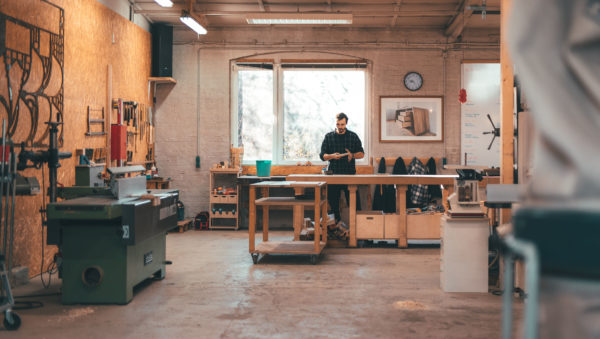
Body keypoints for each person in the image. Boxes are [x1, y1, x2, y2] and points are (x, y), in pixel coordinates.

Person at [319, 112, 364, 223]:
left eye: (342, 125)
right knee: (333, 207)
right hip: (333, 176)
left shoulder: (353, 136)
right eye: (338, 124)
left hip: (349, 175)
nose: (340, 127)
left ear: (346, 124)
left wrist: (352, 155)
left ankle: (357, 231)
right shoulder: (328, 137)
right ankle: (335, 230)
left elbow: (362, 154)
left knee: (355, 205)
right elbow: (322, 156)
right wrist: (332, 156)